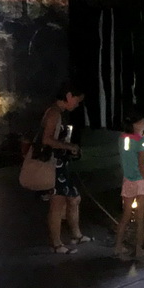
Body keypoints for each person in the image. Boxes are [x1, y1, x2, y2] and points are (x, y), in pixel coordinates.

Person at [41, 83, 90, 254]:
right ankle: (57, 244)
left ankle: (76, 235)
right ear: (69, 96)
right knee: (57, 204)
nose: (77, 104)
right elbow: (46, 140)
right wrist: (68, 147)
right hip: (54, 167)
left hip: (60, 166)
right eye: (77, 100)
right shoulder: (54, 112)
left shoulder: (58, 112)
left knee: (74, 198)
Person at [114, 111, 144, 260]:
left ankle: (118, 247)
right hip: (141, 182)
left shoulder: (122, 138)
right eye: (143, 120)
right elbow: (142, 165)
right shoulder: (143, 140)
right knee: (140, 218)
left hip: (128, 180)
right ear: (137, 124)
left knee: (125, 216)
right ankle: (139, 250)